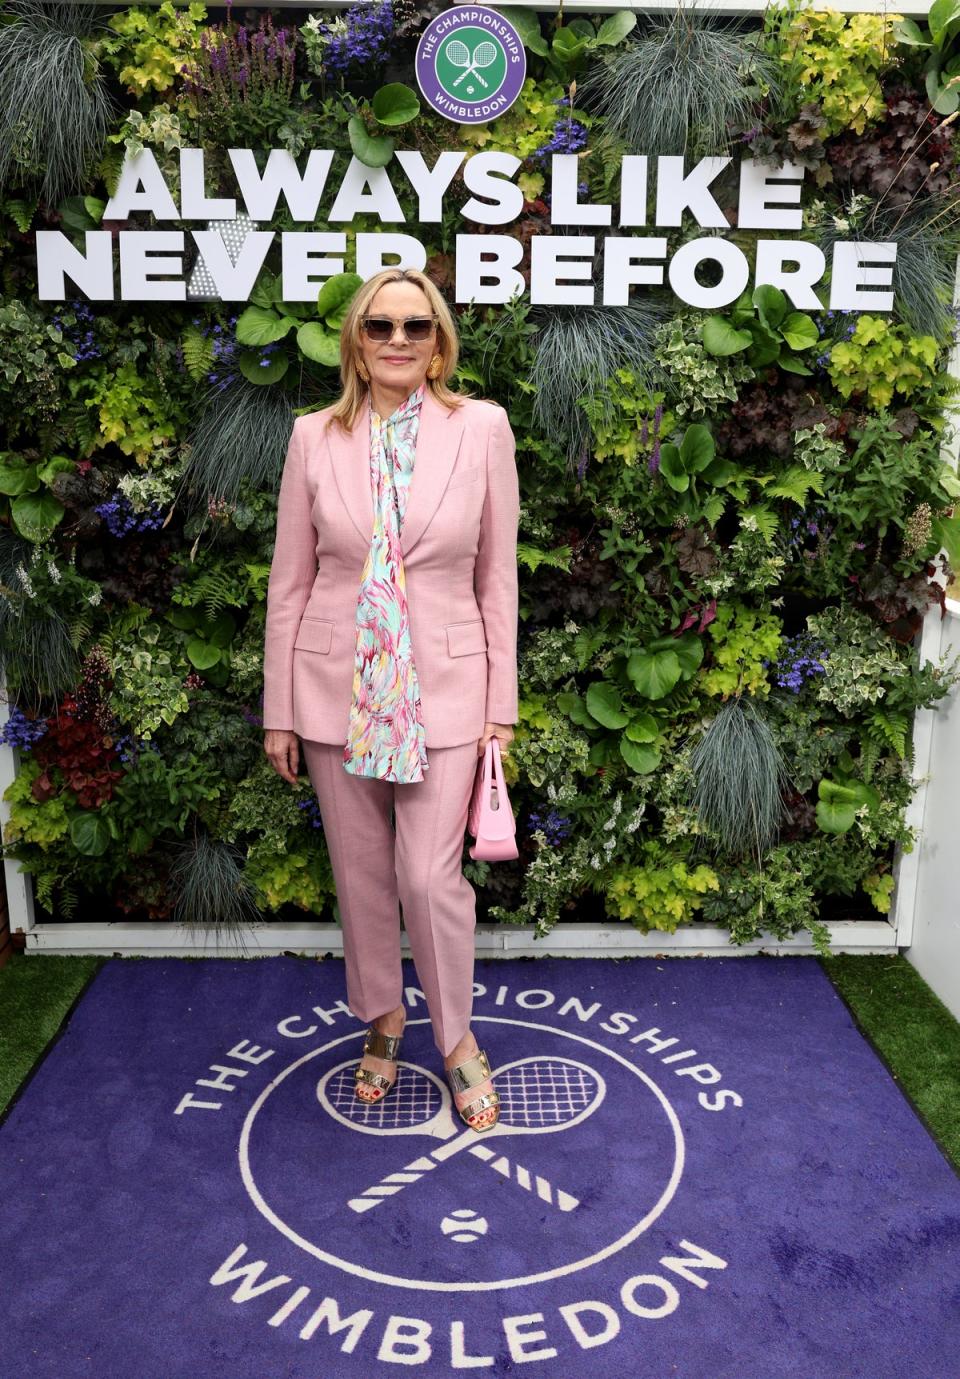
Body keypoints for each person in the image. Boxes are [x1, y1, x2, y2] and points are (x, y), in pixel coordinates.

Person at [262, 267, 519, 1133]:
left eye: (416, 326)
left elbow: (498, 579)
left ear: (439, 342)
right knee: (364, 877)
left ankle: (457, 1040)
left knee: (426, 875)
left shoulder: (481, 429)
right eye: (381, 326)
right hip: (336, 688)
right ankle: (383, 1021)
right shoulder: (312, 438)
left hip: (447, 688)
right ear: (356, 343)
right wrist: (280, 709)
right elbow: (289, 584)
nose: (399, 340)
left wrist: (501, 705)